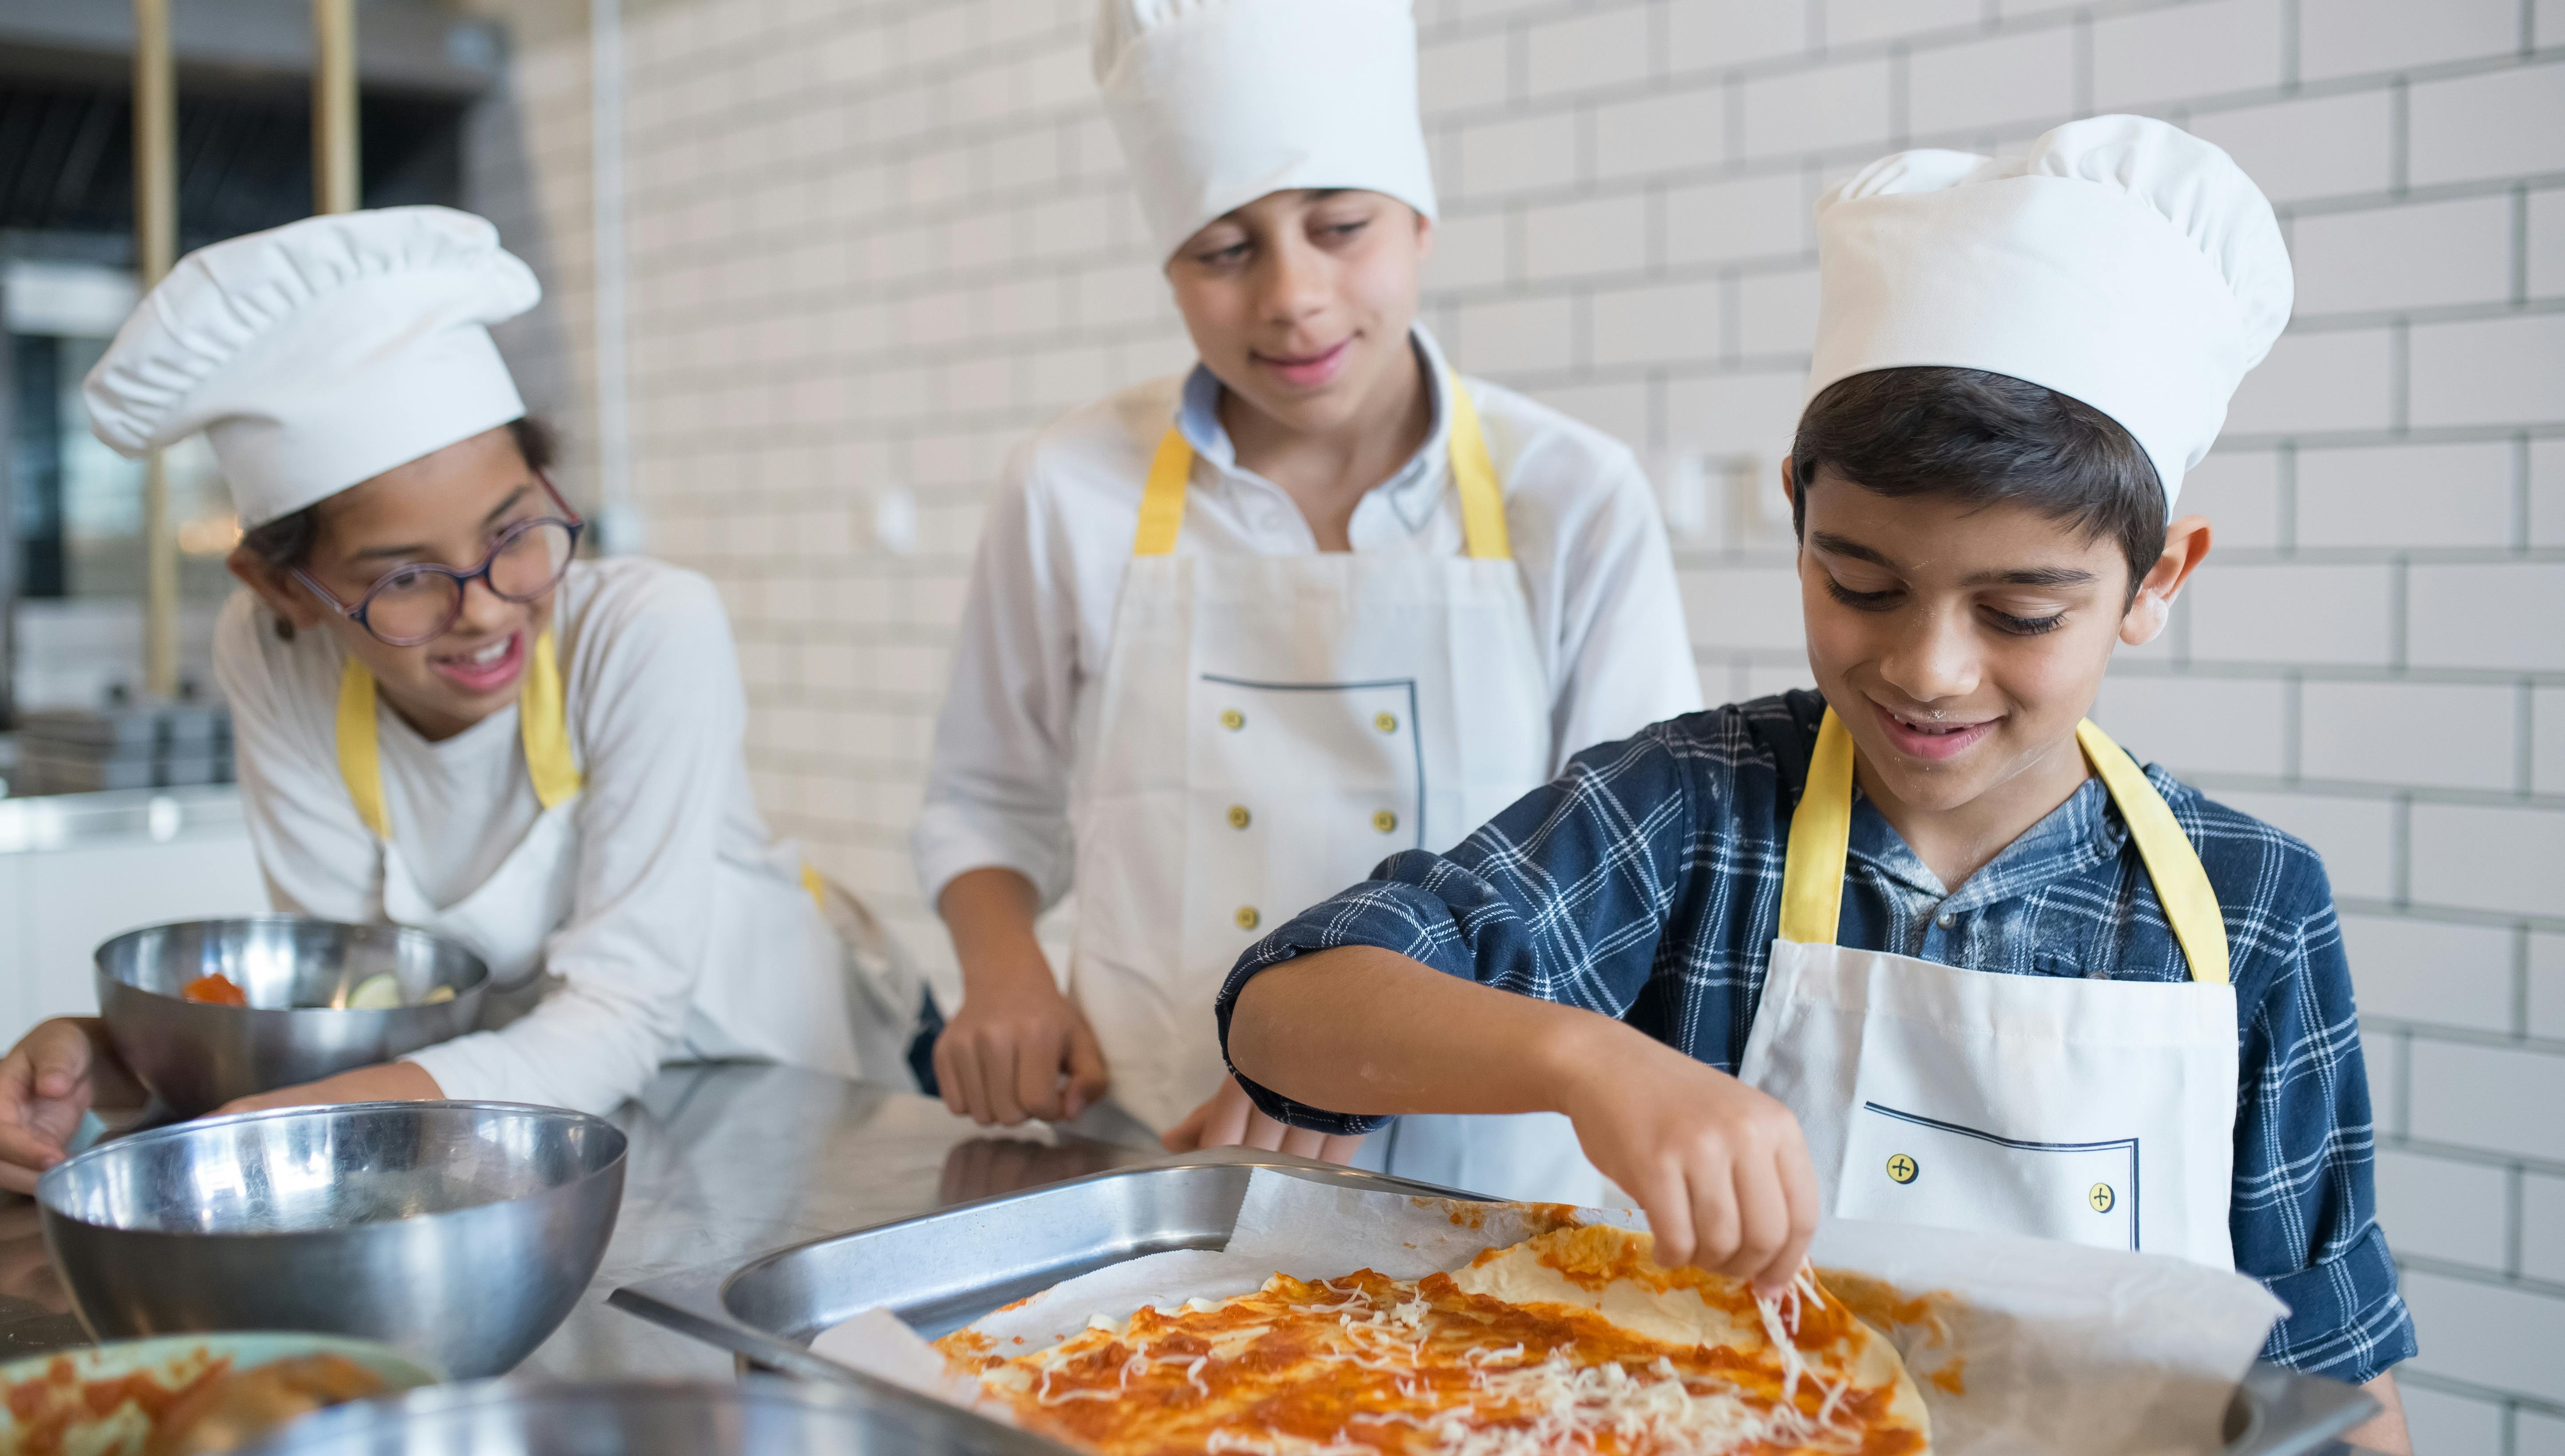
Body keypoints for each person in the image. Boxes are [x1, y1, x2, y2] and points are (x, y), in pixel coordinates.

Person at [1213, 117, 2415, 1448]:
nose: (1930, 669)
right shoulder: (1698, 814)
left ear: (2158, 581)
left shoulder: (2251, 910)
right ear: (1796, 513)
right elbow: (1284, 1013)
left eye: (2019, 613)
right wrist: (1585, 1058)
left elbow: (2335, 1372)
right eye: (1860, 585)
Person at [911, 0, 1702, 1201]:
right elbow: (982, 798)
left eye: (1340, 227)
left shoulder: (1572, 494)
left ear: (1421, 224)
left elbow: (1631, 881)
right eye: (1224, 251)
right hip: (1159, 1149)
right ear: (1169, 268)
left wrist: (1331, 1050)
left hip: (1488, 1181)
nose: (1292, 295)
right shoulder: (1069, 487)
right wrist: (1005, 970)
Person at [0, 207, 917, 1194]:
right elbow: (360, 999)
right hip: (536, 1128)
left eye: (516, 532)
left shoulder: (649, 628)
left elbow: (620, 1011)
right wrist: (127, 1062)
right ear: (281, 592)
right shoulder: (271, 655)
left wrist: (308, 1115)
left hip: (789, 1099)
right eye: (403, 579)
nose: (483, 613)